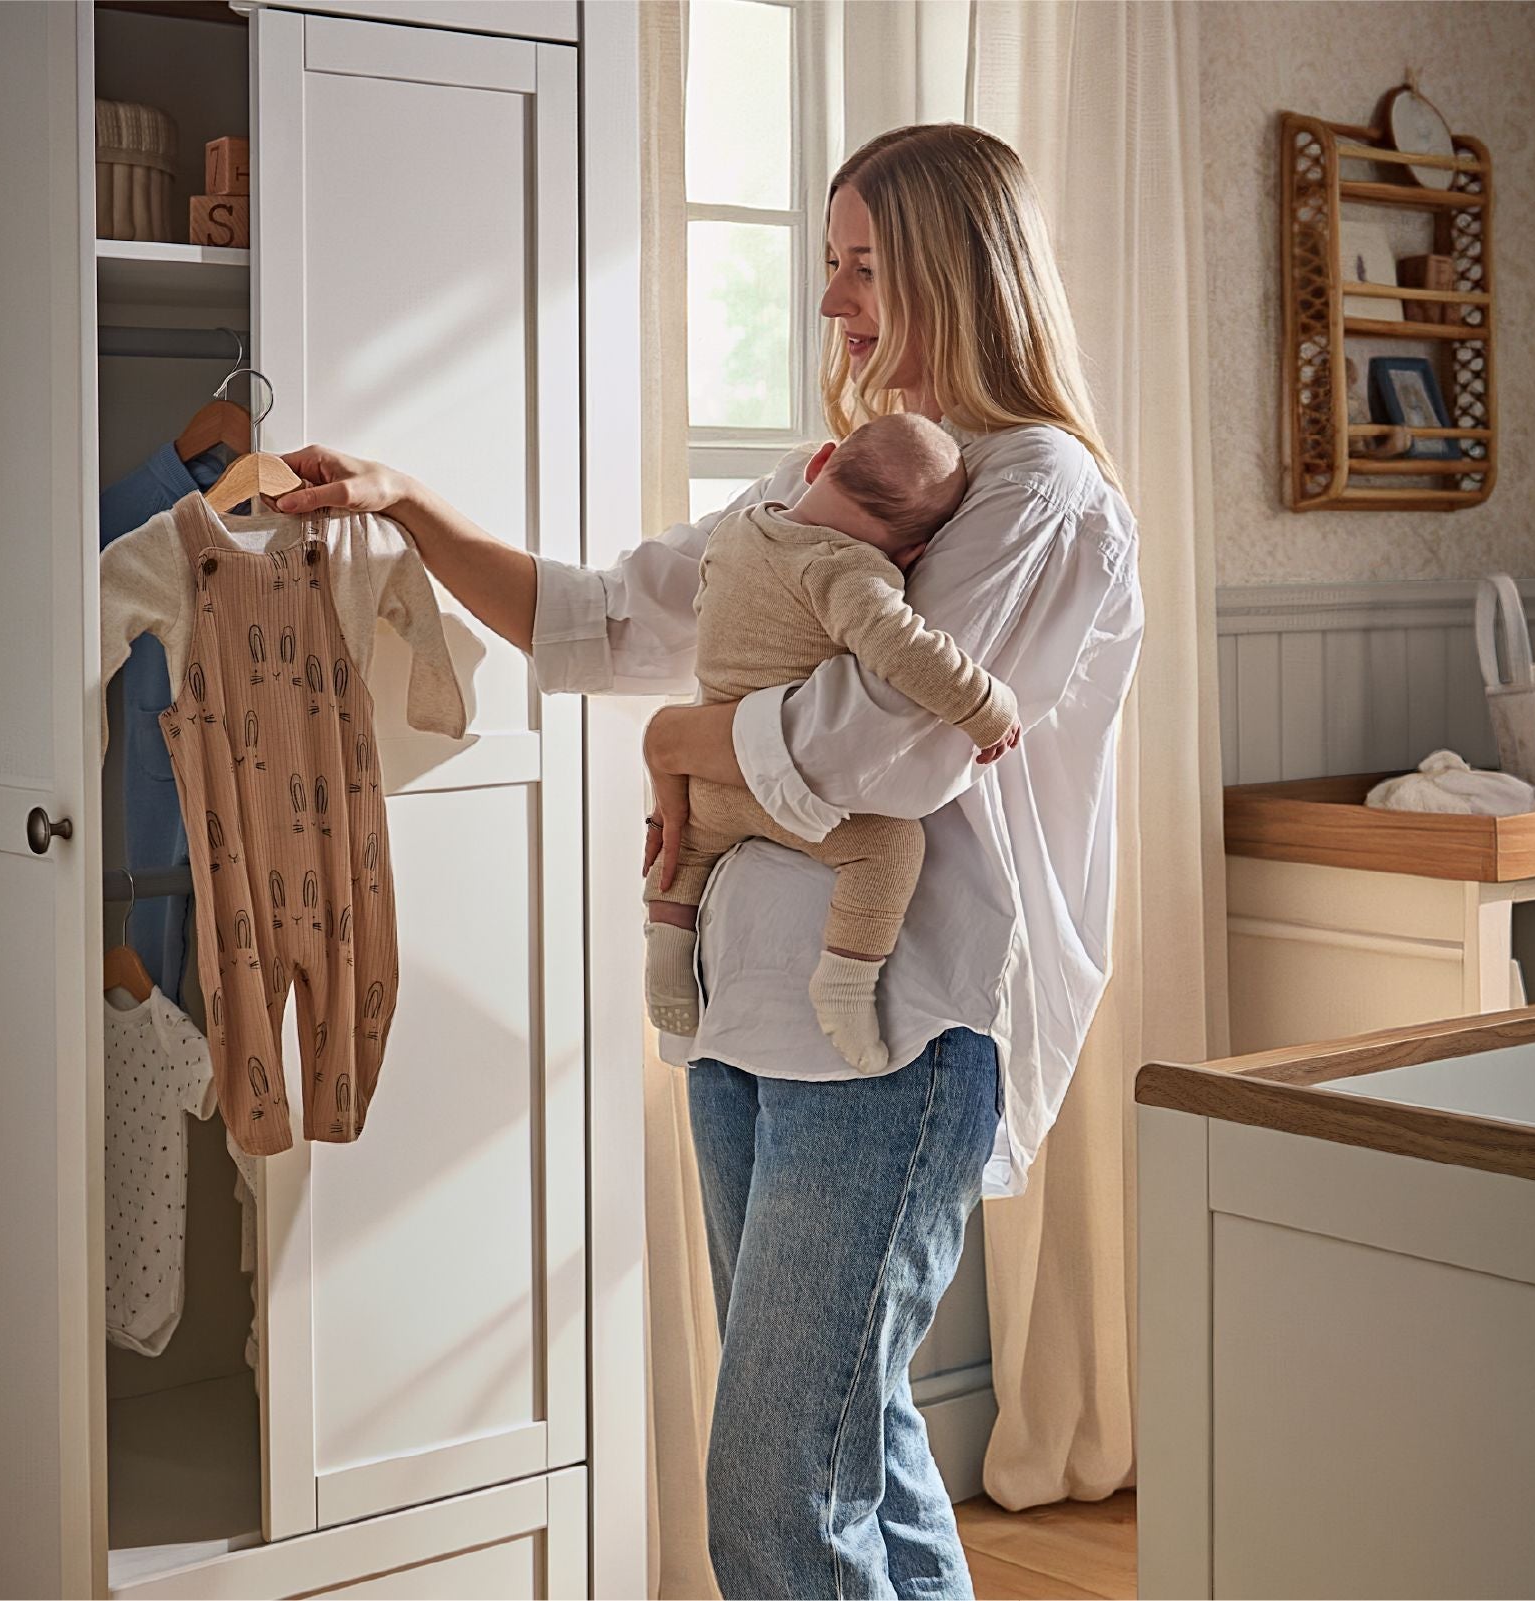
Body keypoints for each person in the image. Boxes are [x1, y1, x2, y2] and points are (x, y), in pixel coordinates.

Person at [275, 121, 1143, 1601]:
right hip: (749, 1014)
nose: (832, 304)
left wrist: (685, 740)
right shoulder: (813, 497)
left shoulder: (1036, 494)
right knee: (843, 1439)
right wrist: (404, 501)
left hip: (897, 1032)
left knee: (771, 1495)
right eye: (827, 266)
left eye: (864, 267)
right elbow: (602, 617)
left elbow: (893, 747)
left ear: (955, 268)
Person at [644, 411, 1021, 1075]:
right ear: (914, 554)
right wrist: (986, 706)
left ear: (818, 466)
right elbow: (904, 653)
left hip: (705, 779)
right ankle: (844, 983)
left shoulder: (737, 530)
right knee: (890, 844)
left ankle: (666, 940)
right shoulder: (846, 569)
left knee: (684, 846)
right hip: (771, 784)